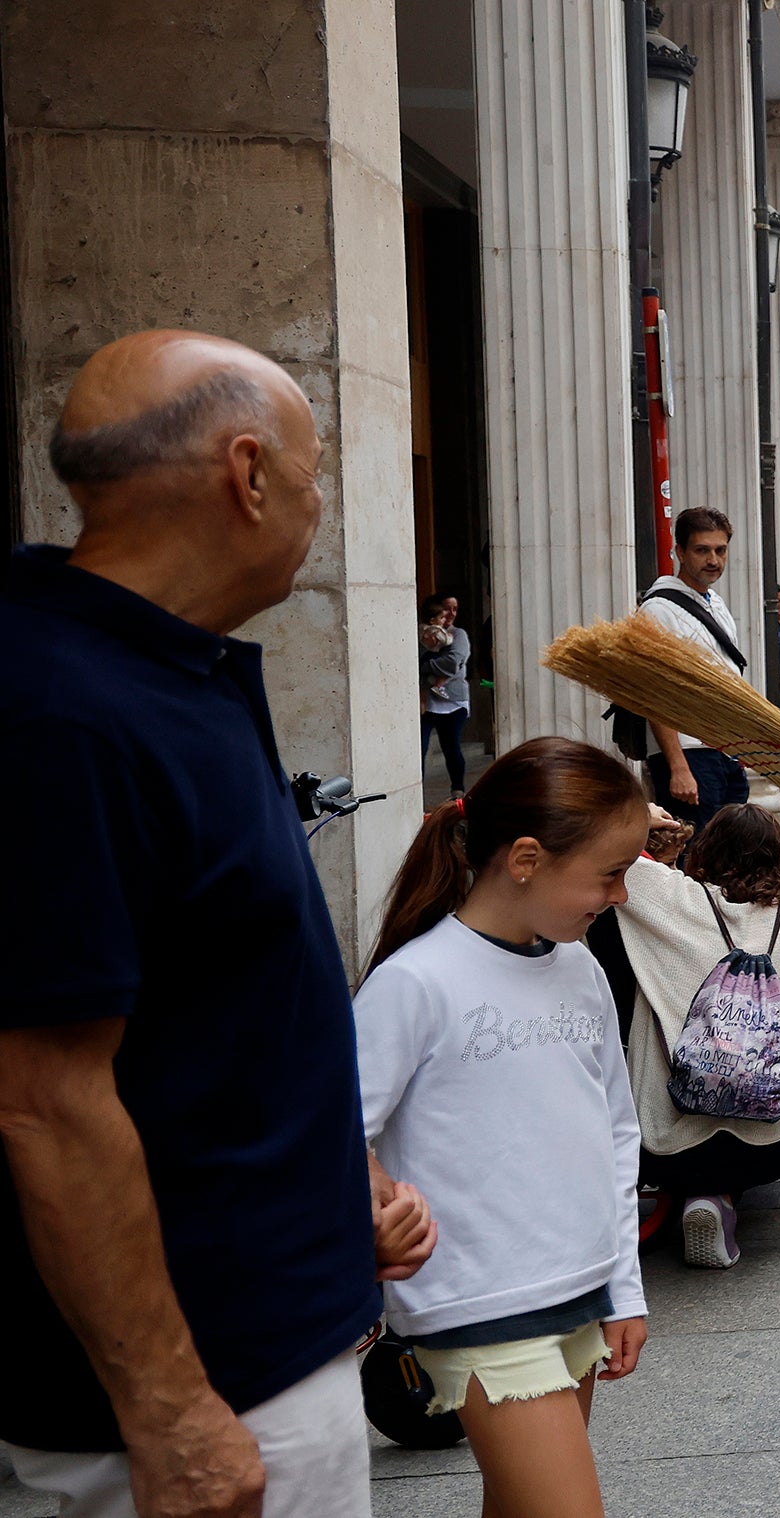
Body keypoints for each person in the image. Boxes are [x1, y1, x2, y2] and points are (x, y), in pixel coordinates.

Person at [0, 330, 434, 1516]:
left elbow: (212, 999)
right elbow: (44, 1098)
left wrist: (334, 1180)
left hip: (271, 1350)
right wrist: (171, 1412)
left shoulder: (165, 672)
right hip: (198, 1404)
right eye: (311, 468)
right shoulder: (59, 713)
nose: (318, 496)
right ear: (246, 475)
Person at [356, 738, 649, 1518]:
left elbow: (616, 1133)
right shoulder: (413, 982)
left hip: (576, 1290)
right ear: (525, 858)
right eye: (610, 873)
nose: (620, 896)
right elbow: (336, 1129)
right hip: (477, 1304)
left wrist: (622, 1288)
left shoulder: (581, 969)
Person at [598, 803, 780, 1265]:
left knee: (697, 1100)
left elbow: (601, 848)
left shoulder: (668, 898)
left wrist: (641, 816)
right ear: (778, 857)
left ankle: (709, 1196)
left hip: (668, 1147)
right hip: (777, 1140)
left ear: (704, 848)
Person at [641, 507, 751, 833]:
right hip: (690, 755)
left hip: (725, 753)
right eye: (702, 550)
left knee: (727, 859)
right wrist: (678, 766)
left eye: (720, 550)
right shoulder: (659, 609)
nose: (713, 559)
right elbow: (655, 694)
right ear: (680, 552)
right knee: (695, 859)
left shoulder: (716, 604)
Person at [420, 591, 473, 797]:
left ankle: (458, 790)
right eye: (447, 609)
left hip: (453, 701)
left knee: (451, 748)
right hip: (427, 701)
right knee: (420, 749)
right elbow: (414, 656)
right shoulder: (424, 633)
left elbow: (451, 663)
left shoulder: (458, 635)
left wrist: (424, 665)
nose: (450, 613)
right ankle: (417, 795)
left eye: (455, 609)